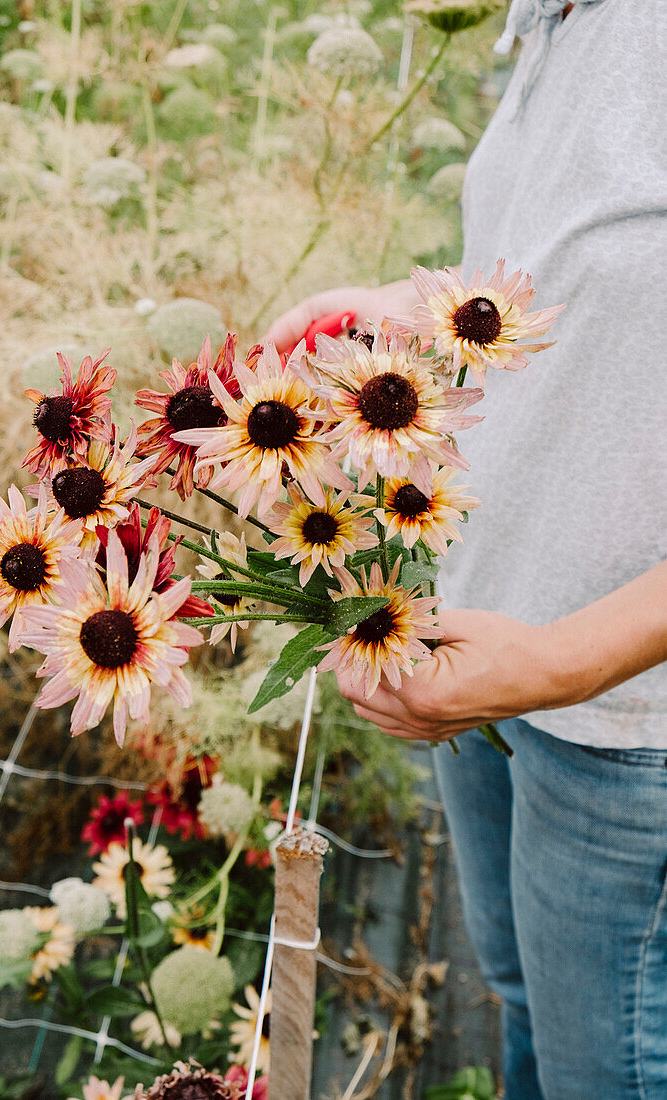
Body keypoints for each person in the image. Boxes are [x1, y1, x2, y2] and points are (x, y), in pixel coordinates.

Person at [266, 1, 667, 1097]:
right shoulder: (558, 21)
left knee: (611, 1070)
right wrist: (415, 309)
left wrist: (562, 663)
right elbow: (576, 278)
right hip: (496, 633)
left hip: (627, 718)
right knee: (523, 998)